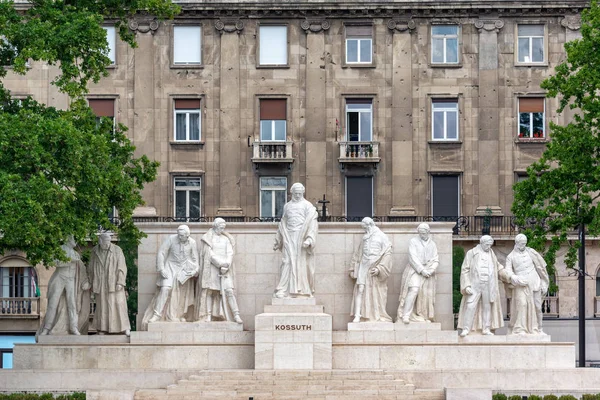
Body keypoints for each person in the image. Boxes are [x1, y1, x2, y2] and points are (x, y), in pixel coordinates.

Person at [143, 225, 199, 327]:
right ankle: (156, 314)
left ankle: (180, 314)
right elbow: (162, 252)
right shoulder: (171, 239)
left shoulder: (192, 243)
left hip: (183, 269)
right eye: (178, 234)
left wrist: (194, 271)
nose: (179, 237)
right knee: (165, 288)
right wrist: (161, 268)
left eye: (182, 235)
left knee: (182, 292)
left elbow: (195, 260)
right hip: (170, 266)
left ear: (187, 235)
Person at [272, 182, 319, 298]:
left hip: (301, 237)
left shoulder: (308, 206)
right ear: (291, 193)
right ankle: (283, 289)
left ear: (303, 193)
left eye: (299, 193)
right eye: (295, 193)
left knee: (300, 263)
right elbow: (283, 223)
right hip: (289, 236)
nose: (297, 195)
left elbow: (312, 222)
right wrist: (278, 240)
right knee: (286, 261)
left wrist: (309, 239)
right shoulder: (287, 206)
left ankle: (301, 290)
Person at [196, 218, 243, 323]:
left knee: (229, 291)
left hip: (225, 270)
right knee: (210, 292)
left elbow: (230, 253)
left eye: (223, 228)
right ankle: (208, 315)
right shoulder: (208, 238)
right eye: (221, 228)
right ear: (215, 226)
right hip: (212, 269)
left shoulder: (226, 239)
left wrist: (226, 264)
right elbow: (209, 254)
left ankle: (236, 315)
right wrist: (220, 264)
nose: (222, 230)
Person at [500, 234, 549, 335]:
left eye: (525, 243)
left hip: (535, 282)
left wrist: (544, 282)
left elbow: (541, 268)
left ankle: (539, 329)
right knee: (522, 305)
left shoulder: (531, 252)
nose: (524, 245)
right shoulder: (511, 257)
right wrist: (514, 277)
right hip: (521, 284)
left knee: (538, 307)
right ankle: (521, 328)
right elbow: (508, 271)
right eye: (522, 244)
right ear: (517, 243)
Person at [40, 236, 90, 335]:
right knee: (53, 303)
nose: (76, 241)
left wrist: (85, 281)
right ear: (69, 240)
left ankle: (74, 327)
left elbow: (81, 268)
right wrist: (68, 261)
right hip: (59, 277)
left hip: (71, 280)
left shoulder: (76, 254)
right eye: (74, 239)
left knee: (72, 304)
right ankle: (47, 328)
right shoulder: (60, 250)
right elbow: (55, 262)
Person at [457, 235, 504, 337]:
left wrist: (509, 276)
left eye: (490, 245)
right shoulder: (472, 253)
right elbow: (465, 269)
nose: (489, 247)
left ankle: (486, 328)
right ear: (481, 243)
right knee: (470, 306)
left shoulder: (492, 254)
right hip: (475, 284)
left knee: (487, 307)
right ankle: (466, 328)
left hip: (488, 284)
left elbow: (498, 267)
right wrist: (466, 286)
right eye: (487, 245)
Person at [349, 217, 393, 323]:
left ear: (370, 225)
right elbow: (358, 253)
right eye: (363, 229)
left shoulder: (382, 236)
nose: (365, 230)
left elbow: (387, 253)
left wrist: (379, 268)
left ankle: (377, 314)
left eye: (365, 228)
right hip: (364, 265)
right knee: (360, 289)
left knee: (375, 291)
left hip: (375, 266)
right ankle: (357, 315)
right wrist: (352, 268)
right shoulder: (365, 238)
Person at [88, 233, 131, 336]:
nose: (107, 245)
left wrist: (120, 282)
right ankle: (102, 329)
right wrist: (90, 282)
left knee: (118, 305)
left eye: (109, 242)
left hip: (114, 282)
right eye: (105, 242)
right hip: (100, 282)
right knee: (102, 306)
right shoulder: (95, 251)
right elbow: (90, 268)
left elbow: (122, 266)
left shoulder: (117, 250)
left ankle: (124, 328)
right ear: (100, 241)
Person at [397, 223, 439, 324]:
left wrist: (431, 270)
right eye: (420, 233)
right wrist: (422, 270)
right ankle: (406, 315)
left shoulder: (432, 244)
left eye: (423, 233)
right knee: (413, 289)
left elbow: (436, 259)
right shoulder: (413, 241)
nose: (421, 235)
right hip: (415, 270)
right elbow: (412, 257)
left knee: (425, 294)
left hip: (428, 271)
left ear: (428, 232)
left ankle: (423, 316)